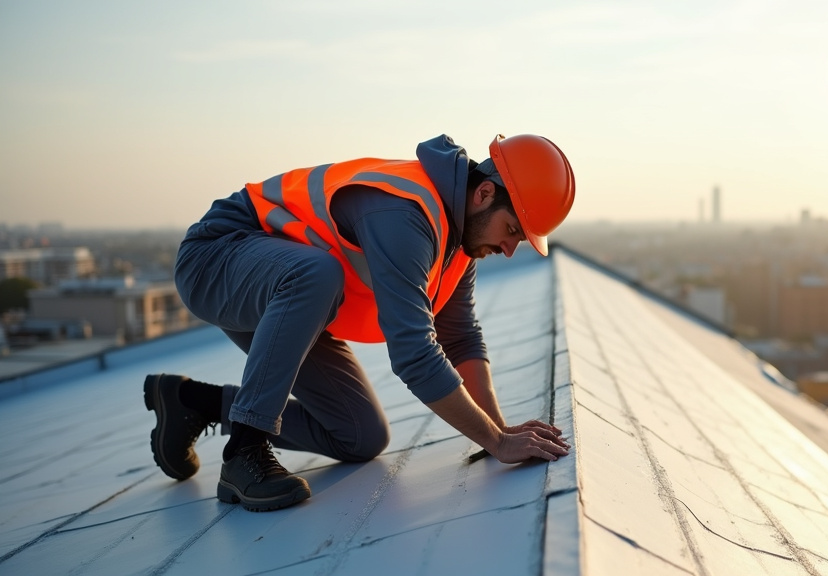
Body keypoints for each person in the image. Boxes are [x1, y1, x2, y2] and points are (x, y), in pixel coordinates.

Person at [144, 134, 575, 512]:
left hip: (287, 301)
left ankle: (191, 402)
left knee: (360, 435)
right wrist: (497, 444)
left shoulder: (458, 243)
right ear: (484, 193)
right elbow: (414, 353)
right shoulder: (406, 214)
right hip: (216, 259)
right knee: (317, 273)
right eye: (512, 230)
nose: (510, 248)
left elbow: (460, 338)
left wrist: (497, 429)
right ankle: (245, 451)